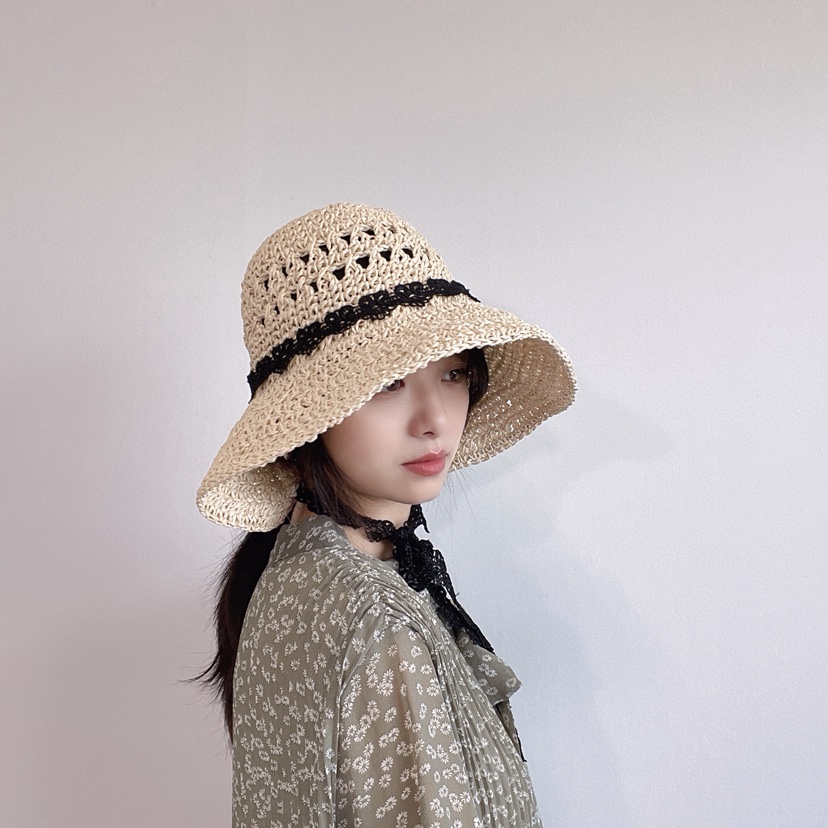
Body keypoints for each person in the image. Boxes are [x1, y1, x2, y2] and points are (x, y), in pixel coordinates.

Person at [196, 202, 576, 827]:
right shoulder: (374, 615)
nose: (435, 419)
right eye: (388, 383)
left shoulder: (295, 573)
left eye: (453, 373)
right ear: (309, 416)